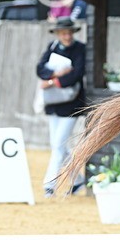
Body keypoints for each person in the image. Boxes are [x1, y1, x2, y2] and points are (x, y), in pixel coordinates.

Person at [36, 18, 88, 195]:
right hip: (53, 103)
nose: (66, 36)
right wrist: (54, 77)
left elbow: (77, 74)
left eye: (69, 33)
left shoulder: (80, 49)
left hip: (71, 104)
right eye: (63, 33)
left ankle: (49, 185)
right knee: (59, 146)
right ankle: (79, 180)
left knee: (58, 146)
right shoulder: (52, 47)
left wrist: (56, 82)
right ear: (58, 33)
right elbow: (40, 68)